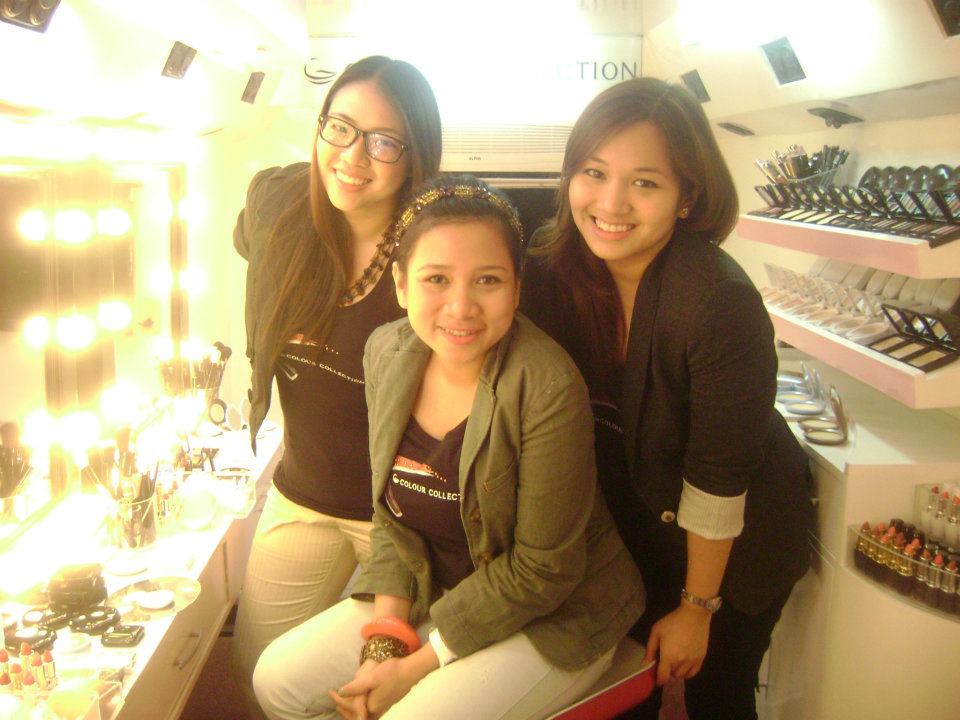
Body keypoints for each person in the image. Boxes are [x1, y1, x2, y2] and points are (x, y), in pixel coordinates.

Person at [252, 175, 645, 720]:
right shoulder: (386, 353)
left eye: (488, 280)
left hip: (559, 615)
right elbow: (391, 520)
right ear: (401, 284)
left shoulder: (546, 385)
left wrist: (413, 668)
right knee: (275, 682)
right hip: (439, 589)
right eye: (436, 278)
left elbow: (543, 571)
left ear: (517, 288)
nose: (461, 307)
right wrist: (383, 644)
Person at [522, 77, 814, 720]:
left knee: (717, 696)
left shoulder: (716, 300)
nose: (611, 202)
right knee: (621, 693)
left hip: (736, 545)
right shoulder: (555, 270)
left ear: (688, 198)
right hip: (639, 531)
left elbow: (719, 478)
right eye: (594, 173)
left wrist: (696, 608)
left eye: (645, 183)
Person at [230, 55, 442, 713]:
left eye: (383, 142)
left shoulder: (435, 252)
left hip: (400, 519)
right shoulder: (277, 206)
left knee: (373, 696)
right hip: (303, 492)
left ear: (415, 156)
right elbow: (247, 241)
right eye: (341, 128)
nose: (352, 156)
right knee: (257, 675)